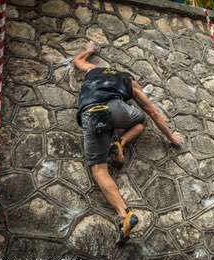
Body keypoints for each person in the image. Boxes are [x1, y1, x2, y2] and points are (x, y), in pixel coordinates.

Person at [73, 41, 184, 244]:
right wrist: (171, 137)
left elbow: (77, 61)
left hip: (92, 111)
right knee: (140, 121)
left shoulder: (94, 70)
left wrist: (89, 50)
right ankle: (121, 143)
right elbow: (153, 112)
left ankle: (124, 215)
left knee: (99, 170)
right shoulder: (129, 82)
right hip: (117, 109)